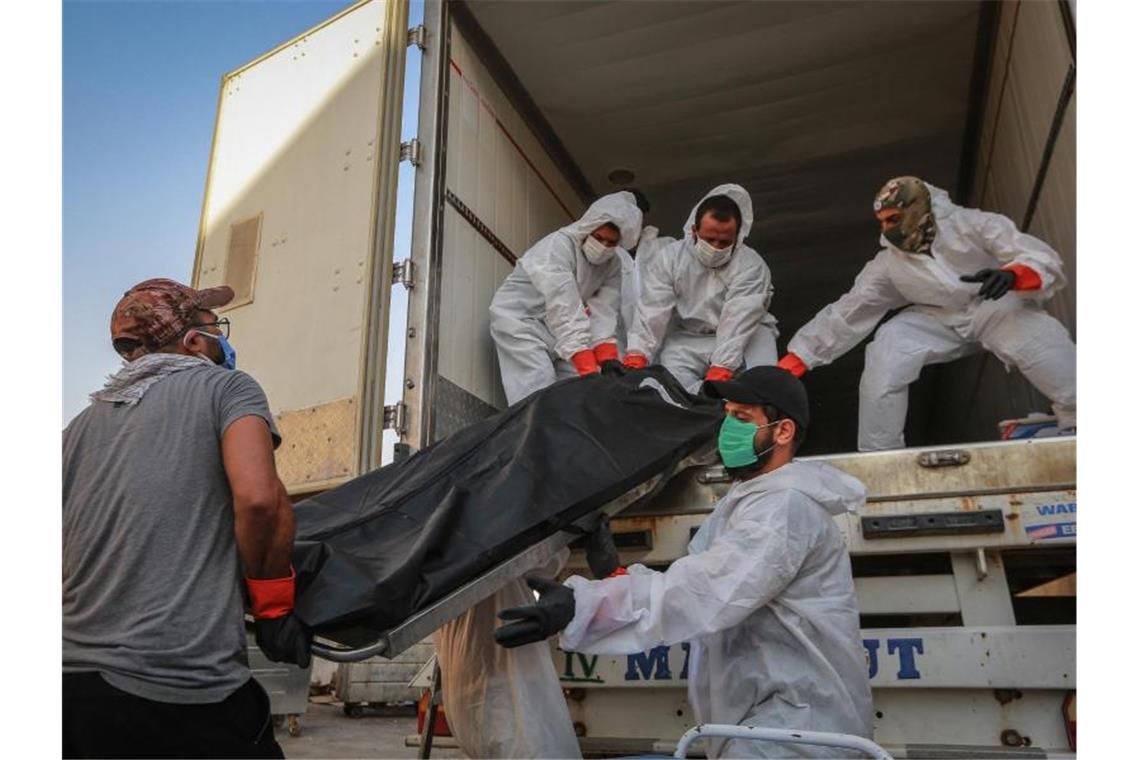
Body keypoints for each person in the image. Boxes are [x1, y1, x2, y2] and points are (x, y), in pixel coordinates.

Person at [494, 366, 874, 758]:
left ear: (783, 432)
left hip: (797, 733)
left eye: (742, 419)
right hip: (768, 727)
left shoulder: (783, 509)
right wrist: (615, 575)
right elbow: (693, 578)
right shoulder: (748, 501)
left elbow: (701, 594)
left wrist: (582, 604)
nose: (728, 429)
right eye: (726, 415)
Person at [63, 279, 310, 759]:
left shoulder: (76, 430)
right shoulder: (228, 387)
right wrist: (273, 606)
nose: (223, 337)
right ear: (195, 340)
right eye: (216, 326)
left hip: (69, 692)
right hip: (182, 686)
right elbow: (261, 500)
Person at [778, 176, 1076, 451]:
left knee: (1022, 324)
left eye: (893, 219)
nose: (887, 230)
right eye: (881, 223)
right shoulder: (889, 265)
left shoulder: (970, 224)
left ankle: (1078, 413)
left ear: (917, 208)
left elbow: (1037, 255)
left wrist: (1015, 275)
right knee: (889, 343)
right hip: (938, 320)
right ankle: (881, 457)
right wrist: (798, 358)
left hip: (993, 305)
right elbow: (850, 310)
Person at [489, 191, 643, 404]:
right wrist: (587, 367)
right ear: (588, 228)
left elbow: (604, 310)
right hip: (522, 322)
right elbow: (563, 306)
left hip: (557, 331)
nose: (603, 247)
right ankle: (533, 435)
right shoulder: (558, 247)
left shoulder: (613, 264)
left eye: (611, 242)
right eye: (599, 238)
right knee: (537, 387)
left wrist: (607, 356)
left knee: (580, 393)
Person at [623, 184, 778, 393]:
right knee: (671, 393)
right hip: (687, 337)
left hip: (748, 337)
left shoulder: (751, 266)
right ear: (694, 231)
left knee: (761, 391)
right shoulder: (670, 258)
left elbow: (738, 321)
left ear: (738, 236)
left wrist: (721, 371)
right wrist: (637, 356)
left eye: (724, 242)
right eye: (709, 239)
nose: (715, 247)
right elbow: (653, 310)